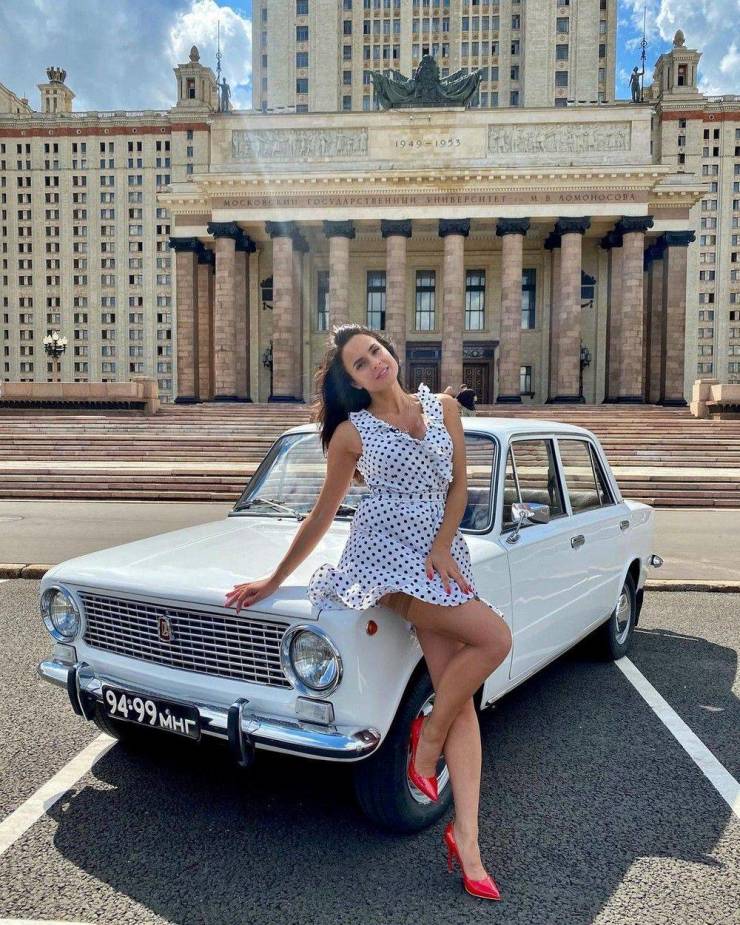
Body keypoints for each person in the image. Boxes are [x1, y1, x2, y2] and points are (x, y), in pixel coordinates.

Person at [224, 323, 512, 902]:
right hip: (383, 560)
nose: (374, 363)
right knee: (495, 639)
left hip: (441, 558)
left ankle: (467, 840)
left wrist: (442, 545)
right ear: (352, 381)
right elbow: (322, 514)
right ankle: (426, 743)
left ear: (390, 352)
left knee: (458, 701)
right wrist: (274, 580)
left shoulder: (444, 408)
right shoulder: (351, 434)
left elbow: (459, 486)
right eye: (359, 363)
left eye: (375, 351)